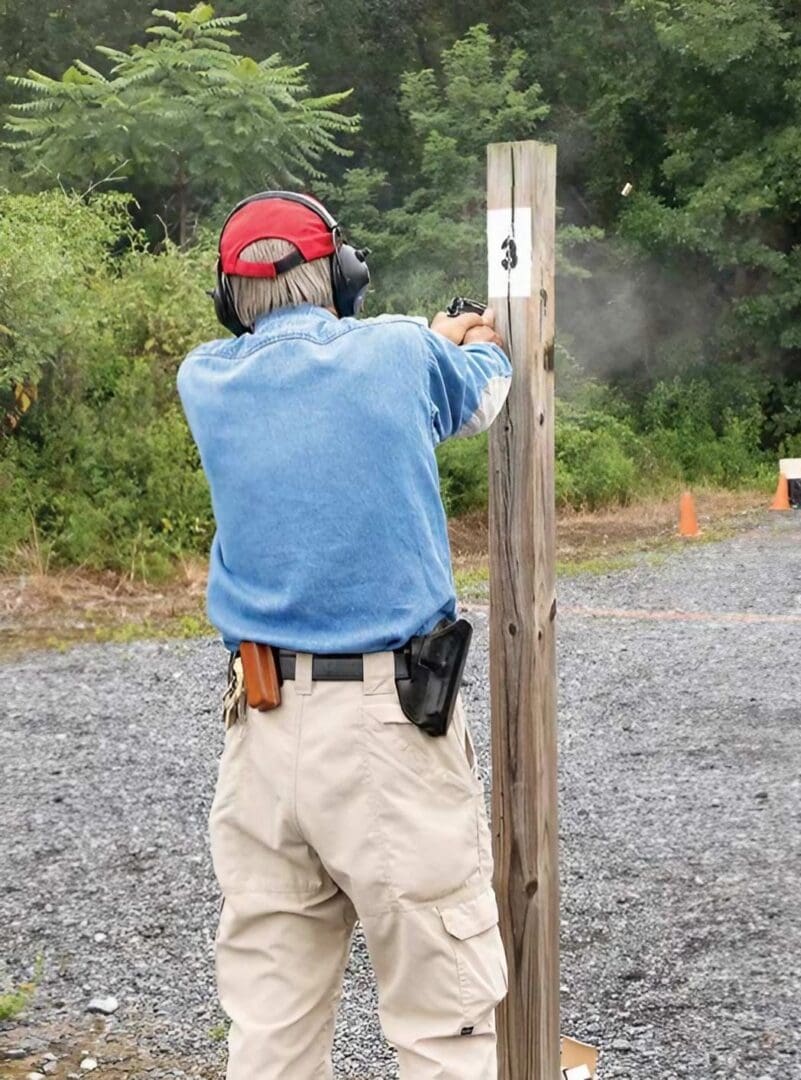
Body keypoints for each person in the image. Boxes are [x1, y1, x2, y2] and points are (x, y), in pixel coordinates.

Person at [177, 190, 511, 1080]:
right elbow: (480, 399)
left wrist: (421, 339)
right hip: (388, 730)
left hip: (260, 733)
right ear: (347, 277)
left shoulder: (204, 378)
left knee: (271, 1028)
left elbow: (336, 372)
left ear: (227, 296)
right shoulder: (397, 350)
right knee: (443, 1023)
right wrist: (475, 341)